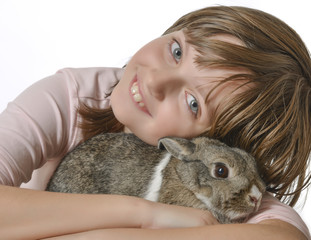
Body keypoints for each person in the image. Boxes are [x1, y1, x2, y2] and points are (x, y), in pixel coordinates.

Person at [0, 5, 310, 240]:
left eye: (193, 104)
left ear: (219, 144)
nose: (153, 80)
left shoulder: (227, 182)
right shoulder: (73, 96)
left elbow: (283, 235)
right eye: (177, 52)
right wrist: (147, 216)